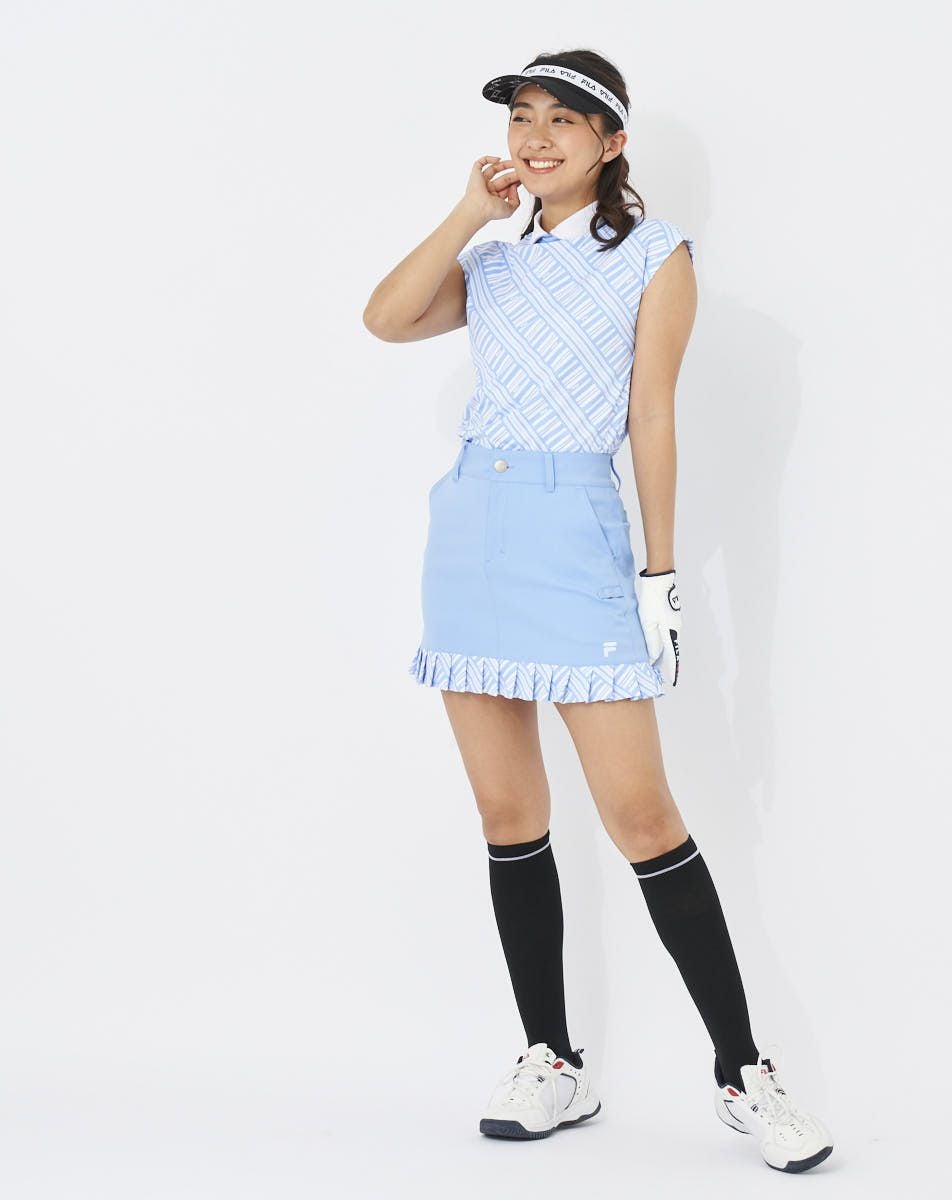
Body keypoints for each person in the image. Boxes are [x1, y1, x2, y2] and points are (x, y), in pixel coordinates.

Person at [363, 49, 833, 1174]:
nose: (534, 138)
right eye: (521, 118)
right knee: (507, 813)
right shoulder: (492, 259)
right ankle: (551, 1060)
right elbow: (385, 319)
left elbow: (651, 417)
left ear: (611, 143)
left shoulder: (657, 255)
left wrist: (658, 577)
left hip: (575, 530)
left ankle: (744, 1074)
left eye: (561, 121)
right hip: (472, 530)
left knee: (642, 817)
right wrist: (467, 214)